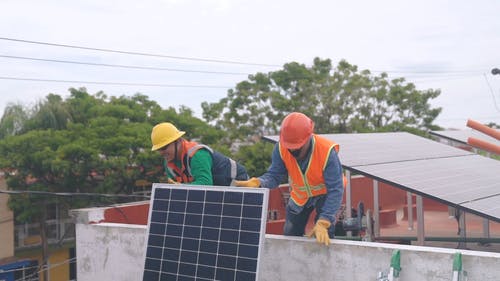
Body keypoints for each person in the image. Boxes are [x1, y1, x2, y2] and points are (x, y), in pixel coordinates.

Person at [235, 112, 345, 246]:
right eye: (290, 148)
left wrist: (324, 220)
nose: (293, 152)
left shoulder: (326, 152)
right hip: (300, 196)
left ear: (308, 138)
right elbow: (274, 176)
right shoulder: (281, 148)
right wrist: (259, 182)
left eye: (297, 149)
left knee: (324, 234)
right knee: (290, 236)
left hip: (325, 196)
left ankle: (325, 263)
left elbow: (335, 190)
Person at [151, 122, 248, 186]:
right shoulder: (169, 164)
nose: (161, 152)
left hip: (238, 185)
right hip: (218, 192)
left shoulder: (197, 155)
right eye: (158, 149)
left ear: (178, 141)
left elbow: (205, 183)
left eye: (164, 147)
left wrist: (181, 187)